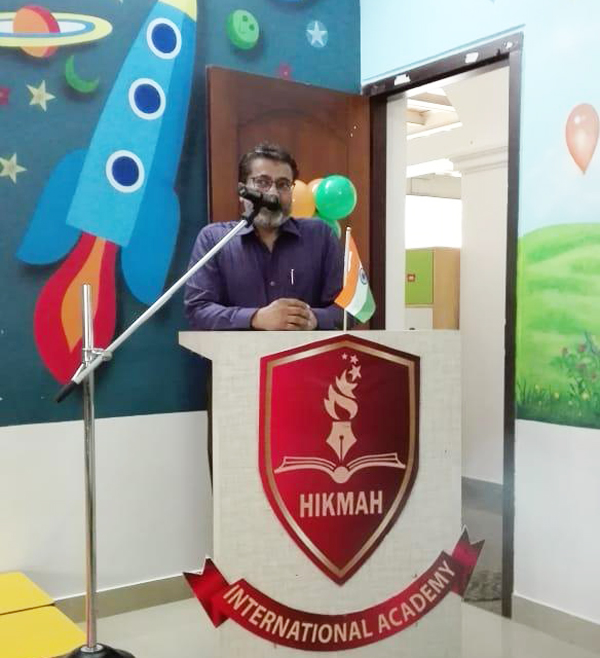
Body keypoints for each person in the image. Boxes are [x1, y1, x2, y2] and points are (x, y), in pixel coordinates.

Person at [184, 142, 344, 330]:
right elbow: (197, 310)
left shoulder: (320, 235)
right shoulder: (213, 240)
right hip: (238, 350)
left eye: (283, 185)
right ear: (242, 192)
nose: (273, 194)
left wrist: (313, 318)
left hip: (308, 349)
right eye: (262, 182)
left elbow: (352, 308)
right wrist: (256, 318)